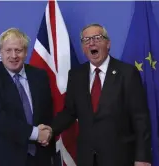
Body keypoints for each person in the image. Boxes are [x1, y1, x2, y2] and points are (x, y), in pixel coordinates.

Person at [48, 24, 152, 166]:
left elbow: (140, 118)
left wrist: (142, 157)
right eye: (86, 40)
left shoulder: (127, 73)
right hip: (87, 158)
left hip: (120, 158)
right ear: (83, 48)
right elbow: (70, 112)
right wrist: (50, 130)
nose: (91, 43)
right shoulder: (76, 75)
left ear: (108, 44)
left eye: (97, 38)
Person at [0, 28, 55, 166]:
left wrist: (47, 132)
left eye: (18, 50)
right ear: (0, 52)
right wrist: (36, 133)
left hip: (39, 158)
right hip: (3, 158)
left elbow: (47, 112)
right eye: (8, 50)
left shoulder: (40, 76)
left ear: (25, 52)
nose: (13, 55)